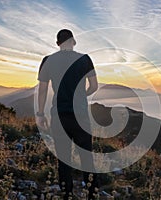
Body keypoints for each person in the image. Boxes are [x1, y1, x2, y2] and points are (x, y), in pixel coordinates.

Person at [36, 29, 99, 200]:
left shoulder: (47, 61)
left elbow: (42, 91)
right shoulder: (84, 59)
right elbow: (94, 86)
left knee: (63, 160)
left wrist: (40, 114)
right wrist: (82, 95)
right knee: (87, 159)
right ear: (73, 41)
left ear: (58, 43)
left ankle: (67, 195)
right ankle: (92, 195)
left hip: (59, 115)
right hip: (81, 116)